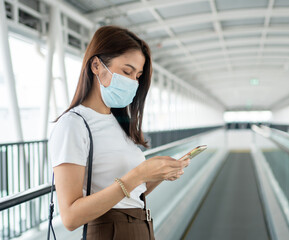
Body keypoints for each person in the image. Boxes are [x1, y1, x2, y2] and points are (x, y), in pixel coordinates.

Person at [48, 26, 190, 239]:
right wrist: (138, 174)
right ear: (96, 65)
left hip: (140, 227)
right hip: (109, 231)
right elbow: (70, 217)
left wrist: (159, 174)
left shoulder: (118, 123)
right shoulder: (74, 124)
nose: (133, 82)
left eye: (138, 75)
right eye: (127, 71)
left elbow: (129, 194)